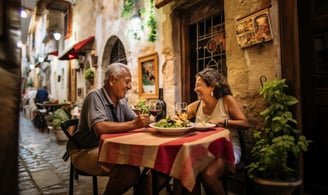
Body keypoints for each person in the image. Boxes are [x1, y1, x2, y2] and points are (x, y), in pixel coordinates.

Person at [67, 62, 152, 195]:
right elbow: (99, 128)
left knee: (146, 165)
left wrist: (148, 121)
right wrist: (135, 124)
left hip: (108, 147)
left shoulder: (121, 101)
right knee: (130, 172)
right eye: (127, 82)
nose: (130, 86)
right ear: (112, 80)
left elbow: (135, 120)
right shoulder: (94, 96)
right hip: (84, 151)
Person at [174, 68, 249, 195]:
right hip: (204, 148)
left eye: (199, 85)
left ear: (212, 87)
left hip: (228, 147)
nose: (195, 89)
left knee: (208, 174)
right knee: (189, 171)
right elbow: (179, 117)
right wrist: (177, 119)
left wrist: (223, 122)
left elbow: (245, 123)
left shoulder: (226, 101)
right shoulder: (196, 105)